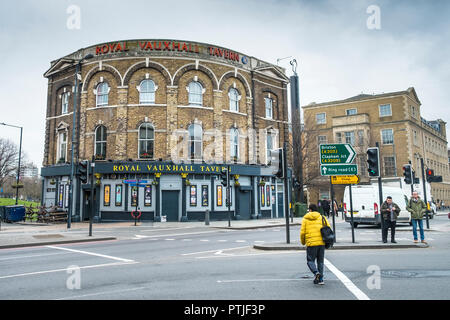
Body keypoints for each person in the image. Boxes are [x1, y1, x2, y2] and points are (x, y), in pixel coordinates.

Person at [300, 204, 331, 285]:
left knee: (310, 261)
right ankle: (320, 279)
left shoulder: (305, 219)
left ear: (310, 210)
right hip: (321, 243)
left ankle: (316, 272)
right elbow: (328, 228)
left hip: (311, 243)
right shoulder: (322, 217)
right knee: (320, 261)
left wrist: (303, 242)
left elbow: (302, 233)